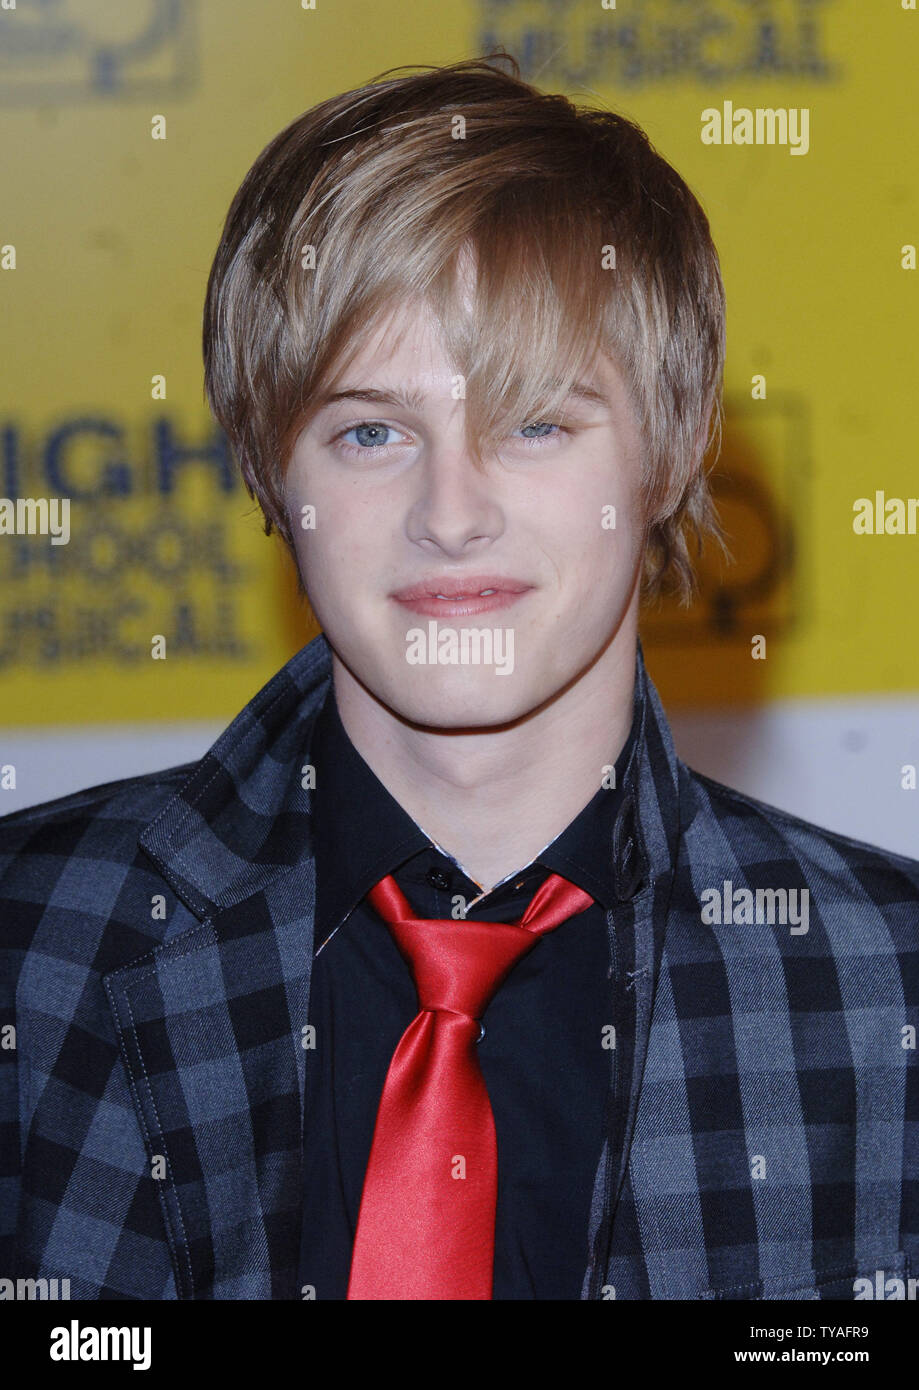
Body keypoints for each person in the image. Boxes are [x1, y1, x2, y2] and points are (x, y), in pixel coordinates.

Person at [1, 54, 916, 1302]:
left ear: (675, 444)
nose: (450, 512)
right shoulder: (32, 941)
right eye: (370, 430)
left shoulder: (887, 986)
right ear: (274, 470)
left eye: (534, 421)